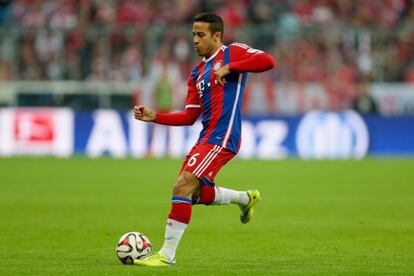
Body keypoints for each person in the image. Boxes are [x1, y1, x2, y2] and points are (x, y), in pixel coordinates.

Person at [133, 12, 275, 267]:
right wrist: (156, 117)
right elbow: (189, 117)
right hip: (205, 137)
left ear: (216, 36)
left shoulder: (233, 53)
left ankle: (167, 255)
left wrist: (231, 67)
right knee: (193, 194)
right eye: (193, 35)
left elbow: (268, 60)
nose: (195, 41)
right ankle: (245, 198)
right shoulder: (197, 74)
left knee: (182, 186)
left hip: (223, 136)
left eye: (201, 35)